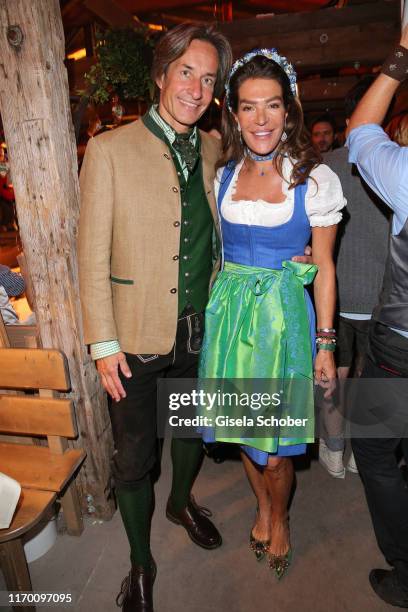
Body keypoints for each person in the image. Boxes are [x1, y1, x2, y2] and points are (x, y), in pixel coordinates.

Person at [78, 24, 232, 612]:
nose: (196, 88)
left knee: (192, 429)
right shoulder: (111, 149)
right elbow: (90, 256)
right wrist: (102, 343)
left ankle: (181, 501)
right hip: (134, 338)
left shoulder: (215, 148)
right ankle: (141, 563)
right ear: (162, 74)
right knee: (135, 457)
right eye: (186, 72)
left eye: (208, 78)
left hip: (199, 330)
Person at [199, 49, 345, 578]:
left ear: (290, 110)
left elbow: (324, 266)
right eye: (248, 107)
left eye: (272, 106)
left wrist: (325, 345)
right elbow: (221, 249)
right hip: (232, 320)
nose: (260, 119)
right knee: (244, 431)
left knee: (279, 451)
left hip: (284, 323)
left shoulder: (315, 178)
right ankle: (260, 506)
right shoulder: (223, 176)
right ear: (234, 114)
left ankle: (279, 514)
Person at [346, 25, 408, 609]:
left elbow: (361, 130)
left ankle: (406, 569)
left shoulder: (407, 174)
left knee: (372, 447)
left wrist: (400, 56)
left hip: (400, 346)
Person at [320, 78, 390, 478]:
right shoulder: (393, 161)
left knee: (334, 375)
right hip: (383, 298)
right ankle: (357, 452)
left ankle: (333, 449)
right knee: (368, 381)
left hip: (337, 296)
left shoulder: (325, 165)